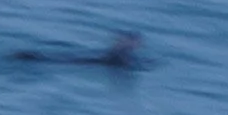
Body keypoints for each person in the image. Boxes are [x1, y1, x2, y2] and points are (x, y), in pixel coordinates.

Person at [13, 31, 144, 69]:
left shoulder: (117, 54)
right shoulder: (121, 57)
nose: (138, 44)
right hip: (90, 62)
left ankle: (32, 57)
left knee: (52, 59)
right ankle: (32, 57)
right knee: (54, 60)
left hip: (86, 60)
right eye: (135, 42)